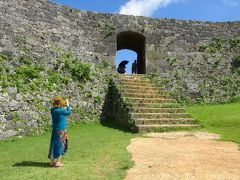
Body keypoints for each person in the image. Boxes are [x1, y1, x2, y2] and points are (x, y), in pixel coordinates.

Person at [48, 96, 72, 168]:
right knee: (61, 145)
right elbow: (68, 112)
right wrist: (67, 104)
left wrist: (63, 105)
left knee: (54, 144)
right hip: (61, 130)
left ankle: (52, 162)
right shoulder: (61, 111)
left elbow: (62, 110)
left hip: (55, 130)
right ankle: (57, 162)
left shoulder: (53, 110)